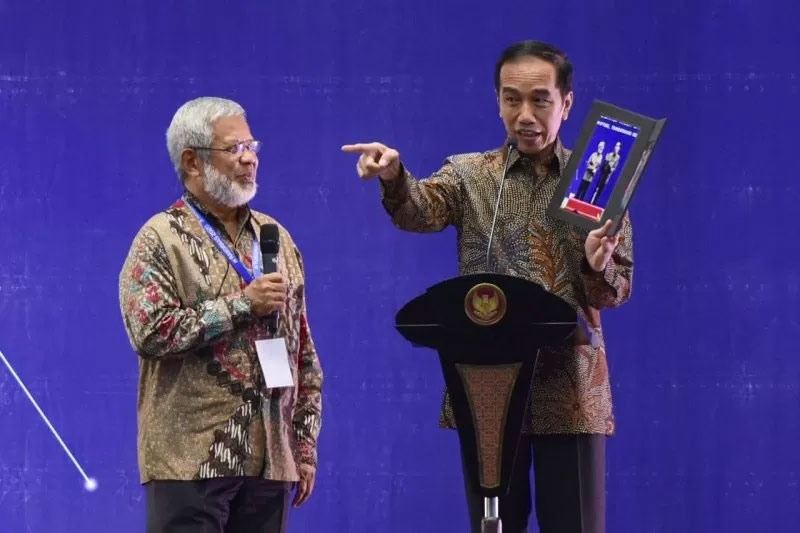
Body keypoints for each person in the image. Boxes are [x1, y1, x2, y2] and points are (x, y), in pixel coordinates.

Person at [342, 40, 633, 533]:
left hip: (571, 389)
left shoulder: (596, 179)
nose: (524, 114)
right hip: (487, 385)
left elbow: (614, 292)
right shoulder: (470, 175)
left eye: (540, 99)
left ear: (566, 103)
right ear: (497, 101)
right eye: (510, 98)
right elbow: (420, 209)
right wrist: (393, 176)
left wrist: (595, 266)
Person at [119, 97, 323, 533]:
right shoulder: (159, 239)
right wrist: (242, 304)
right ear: (192, 161)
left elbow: (301, 349)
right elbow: (151, 332)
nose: (249, 158)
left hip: (272, 463)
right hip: (190, 461)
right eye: (234, 149)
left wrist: (302, 446)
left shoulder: (277, 238)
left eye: (252, 146)